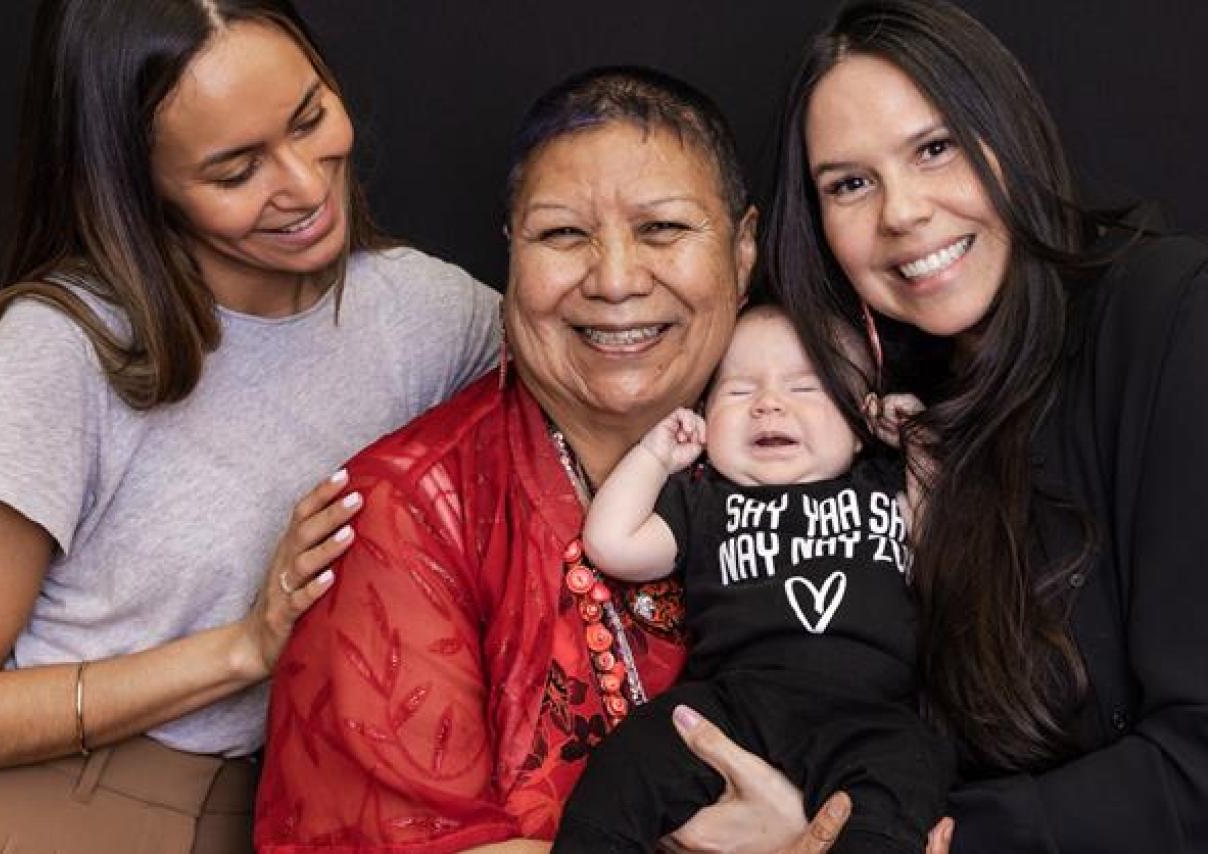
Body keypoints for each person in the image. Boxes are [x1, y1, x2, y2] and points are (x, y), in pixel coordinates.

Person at [0, 1, 498, 851]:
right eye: (235, 172)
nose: (305, 185)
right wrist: (242, 648)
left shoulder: (431, 314)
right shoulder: (67, 345)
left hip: (300, 807)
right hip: (62, 798)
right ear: (138, 183)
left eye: (310, 118)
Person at [256, 67, 856, 854]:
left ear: (744, 251)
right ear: (511, 252)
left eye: (663, 230)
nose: (613, 280)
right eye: (563, 234)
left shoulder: (838, 456)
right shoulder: (408, 512)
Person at [767, 1, 1208, 852]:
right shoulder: (872, 420)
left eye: (936, 148)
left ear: (1010, 133)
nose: (902, 212)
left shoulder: (1165, 318)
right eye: (849, 184)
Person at [553, 304, 949, 854]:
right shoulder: (705, 499)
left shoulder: (882, 490)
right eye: (738, 392)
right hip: (737, 703)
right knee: (631, 757)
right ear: (704, 417)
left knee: (904, 778)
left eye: (806, 388)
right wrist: (656, 453)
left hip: (869, 712)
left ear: (861, 426)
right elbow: (612, 545)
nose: (768, 404)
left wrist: (920, 448)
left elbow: (946, 555)